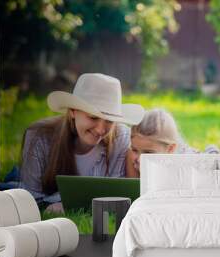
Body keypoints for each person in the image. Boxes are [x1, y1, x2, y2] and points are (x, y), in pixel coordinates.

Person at [20, 73, 144, 213]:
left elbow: (117, 197)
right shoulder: (39, 137)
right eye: (93, 117)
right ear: (73, 111)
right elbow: (30, 199)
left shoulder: (122, 137)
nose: (101, 129)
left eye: (109, 121)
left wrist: (69, 204)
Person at [126, 108, 220, 177]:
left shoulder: (184, 167)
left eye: (148, 153)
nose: (139, 159)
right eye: (135, 150)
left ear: (170, 149)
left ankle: (212, 151)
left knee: (211, 160)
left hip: (194, 157)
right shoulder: (132, 156)